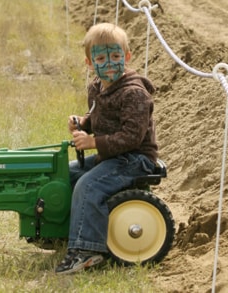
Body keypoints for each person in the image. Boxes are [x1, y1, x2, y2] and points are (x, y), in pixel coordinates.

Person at [55, 22, 158, 275]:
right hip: (112, 155)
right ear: (90, 63)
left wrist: (93, 143)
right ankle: (63, 231)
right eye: (101, 58)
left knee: (88, 185)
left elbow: (132, 137)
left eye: (115, 56)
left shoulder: (134, 93)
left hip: (135, 158)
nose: (109, 63)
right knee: (62, 175)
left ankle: (87, 250)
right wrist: (83, 123)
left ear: (127, 56)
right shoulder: (97, 87)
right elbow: (100, 118)